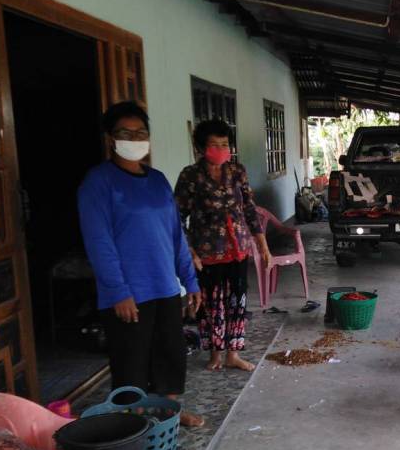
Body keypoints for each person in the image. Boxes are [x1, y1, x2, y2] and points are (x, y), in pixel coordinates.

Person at [78, 102, 204, 426]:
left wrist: (189, 280)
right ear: (111, 138)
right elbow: (99, 243)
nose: (134, 139)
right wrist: (118, 291)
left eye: (141, 133)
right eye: (126, 133)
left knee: (170, 354)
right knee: (131, 361)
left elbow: (176, 235)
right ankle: (135, 423)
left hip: (165, 286)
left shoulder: (158, 180)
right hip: (128, 293)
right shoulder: (98, 183)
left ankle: (169, 414)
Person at [174, 119, 270, 372]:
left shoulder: (237, 171)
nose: (221, 149)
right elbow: (176, 217)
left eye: (225, 144)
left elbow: (249, 209)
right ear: (201, 148)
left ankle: (233, 354)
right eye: (214, 145)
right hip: (206, 252)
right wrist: (188, 250)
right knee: (211, 304)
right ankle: (215, 354)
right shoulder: (190, 176)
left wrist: (263, 245)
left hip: (238, 248)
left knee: (237, 301)